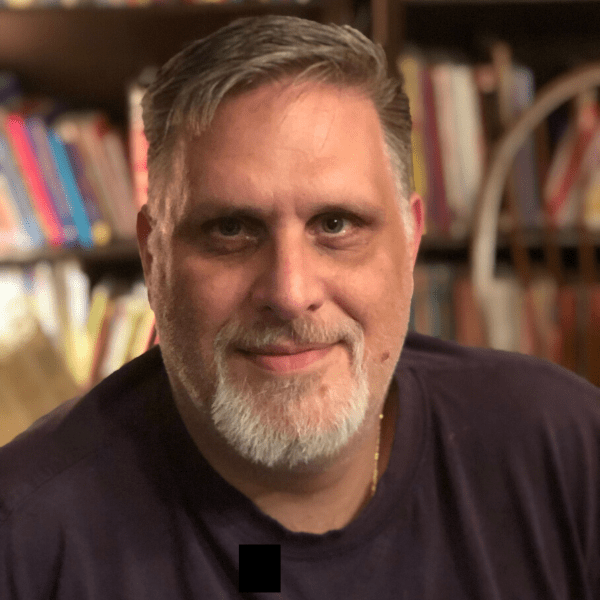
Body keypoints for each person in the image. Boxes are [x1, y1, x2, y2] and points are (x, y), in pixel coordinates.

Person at [1, 14, 600, 600]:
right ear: (153, 254)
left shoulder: (569, 451)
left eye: (336, 224)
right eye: (231, 229)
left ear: (411, 240)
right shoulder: (23, 539)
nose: (289, 293)